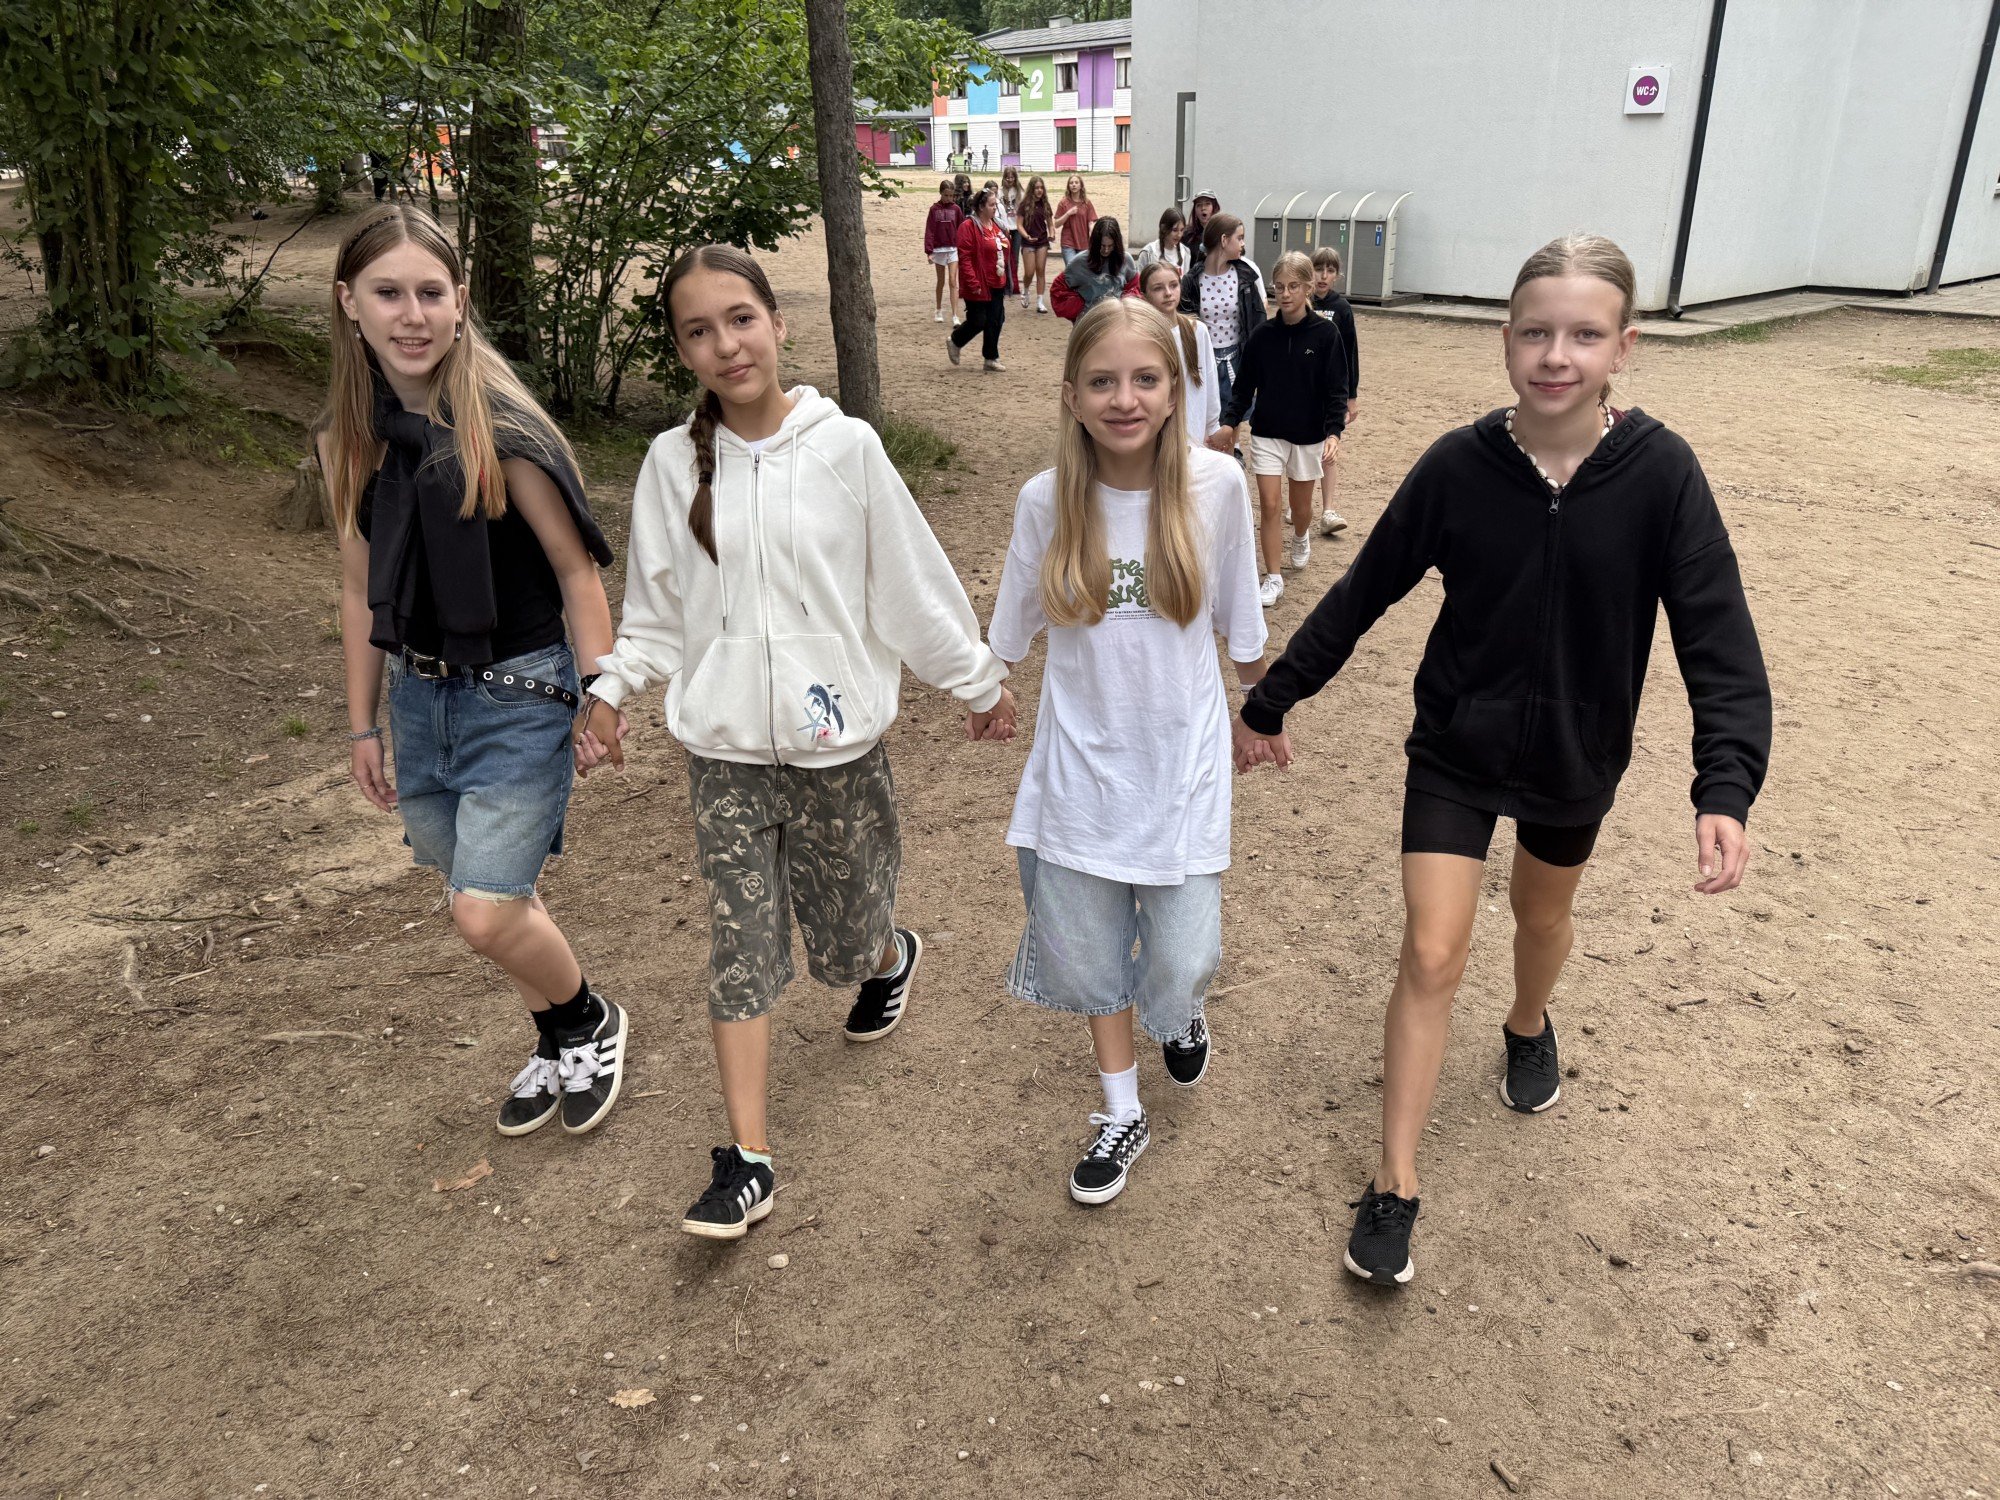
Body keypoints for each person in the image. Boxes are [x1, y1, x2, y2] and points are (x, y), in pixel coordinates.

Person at [1231, 235, 1773, 1288]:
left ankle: (1528, 1021)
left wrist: (1726, 785)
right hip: (1456, 744)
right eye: (1534, 333)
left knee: (1538, 916)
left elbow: (1718, 637)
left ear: (1623, 347)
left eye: (1583, 335)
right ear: (1506, 340)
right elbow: (1363, 591)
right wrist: (1272, 697)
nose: (1555, 356)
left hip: (1577, 751)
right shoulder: (1457, 466)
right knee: (1432, 951)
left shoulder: (1662, 475)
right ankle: (1394, 1179)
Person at [577, 245, 1013, 1240]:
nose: (725, 345)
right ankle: (748, 1160)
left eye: (740, 319)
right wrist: (611, 688)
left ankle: (887, 953)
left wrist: (976, 679)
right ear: (682, 350)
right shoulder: (669, 464)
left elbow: (905, 584)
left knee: (847, 937)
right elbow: (656, 615)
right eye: (698, 331)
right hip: (724, 755)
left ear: (776, 323)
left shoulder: (845, 448)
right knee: (740, 943)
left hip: (836, 752)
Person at [319, 204, 626, 1141]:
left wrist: (603, 694)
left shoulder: (504, 431)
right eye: (388, 293)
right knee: (499, 898)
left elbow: (576, 571)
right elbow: (357, 589)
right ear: (349, 302)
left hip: (520, 692)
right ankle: (557, 1035)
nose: (410, 315)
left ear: (459, 302)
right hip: (418, 699)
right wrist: (363, 724)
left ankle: (589, 1020)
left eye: (430, 292)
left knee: (483, 913)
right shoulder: (348, 441)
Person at [973, 298, 1267, 1206]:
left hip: (1181, 769)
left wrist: (1262, 709)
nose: (1124, 399)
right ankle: (1120, 1107)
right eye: (1102, 381)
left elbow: (1241, 619)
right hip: (1080, 772)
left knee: (1182, 958)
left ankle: (1180, 1014)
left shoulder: (1216, 488)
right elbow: (1012, 623)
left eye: (1145, 379)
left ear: (1175, 391)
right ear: (1071, 395)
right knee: (1093, 955)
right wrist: (987, 688)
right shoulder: (1045, 501)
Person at [1207, 250, 1348, 608]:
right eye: (1279, 286)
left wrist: (1334, 432)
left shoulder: (1326, 334)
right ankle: (1272, 577)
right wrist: (1229, 423)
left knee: (1301, 509)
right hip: (1267, 432)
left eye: (1293, 286)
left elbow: (1336, 389)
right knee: (1269, 505)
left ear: (1307, 288)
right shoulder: (1262, 336)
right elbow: (1243, 389)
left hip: (1308, 435)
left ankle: (1301, 535)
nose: (1285, 293)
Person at [1178, 213, 1267, 423]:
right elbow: (1184, 323)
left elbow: (1258, 320)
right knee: (1205, 417)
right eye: (1240, 238)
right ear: (1224, 240)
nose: (1243, 244)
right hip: (1203, 361)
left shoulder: (1245, 275)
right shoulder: (1192, 280)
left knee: (1233, 416)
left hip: (1237, 358)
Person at [1139, 261, 1220, 452]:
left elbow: (1209, 382)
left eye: (1173, 285)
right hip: (1154, 439)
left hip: (1193, 436)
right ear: (1144, 296)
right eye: (1158, 288)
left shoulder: (1197, 331)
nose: (1168, 293)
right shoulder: (1141, 337)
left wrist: (1212, 426)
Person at [1310, 246, 1360, 535]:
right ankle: (1299, 501)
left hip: (1332, 392)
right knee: (1301, 448)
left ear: (1337, 276)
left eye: (1329, 270)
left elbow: (1351, 353)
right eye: (1318, 269)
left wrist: (1351, 397)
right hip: (1304, 390)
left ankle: (1328, 510)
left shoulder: (1342, 309)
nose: (1323, 275)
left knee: (1329, 447)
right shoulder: (1302, 302)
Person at [949, 187, 1015, 373]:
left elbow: (1005, 247)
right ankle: (955, 341)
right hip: (978, 283)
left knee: (996, 320)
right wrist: (972, 282)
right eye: (992, 205)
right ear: (980, 207)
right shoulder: (968, 227)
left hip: (997, 281)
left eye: (996, 204)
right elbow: (965, 258)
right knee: (978, 320)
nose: (995, 208)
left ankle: (991, 358)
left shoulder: (997, 225)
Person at [1050, 215, 1138, 321]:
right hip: (1088, 323)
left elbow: (1136, 288)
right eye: (1102, 245)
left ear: (1117, 243)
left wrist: (1125, 305)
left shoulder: (1126, 260)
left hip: (1116, 322)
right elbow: (1058, 290)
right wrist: (1079, 307)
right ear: (1095, 242)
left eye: (1110, 246)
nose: (1106, 250)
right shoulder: (1079, 262)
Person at [924, 177, 965, 326]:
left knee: (953, 281)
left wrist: (964, 248)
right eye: (946, 195)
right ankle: (938, 309)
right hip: (939, 249)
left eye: (951, 195)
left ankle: (955, 315)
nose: (949, 198)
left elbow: (962, 228)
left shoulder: (956, 209)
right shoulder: (934, 209)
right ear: (940, 193)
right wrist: (929, 251)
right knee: (940, 281)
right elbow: (930, 230)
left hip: (953, 249)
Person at [1017, 175, 1054, 314]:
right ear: (1032, 189)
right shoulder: (1024, 205)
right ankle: (1025, 290)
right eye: (1037, 188)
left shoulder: (1045, 204)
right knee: (1029, 272)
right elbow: (1019, 225)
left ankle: (1040, 301)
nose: (1039, 190)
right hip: (1028, 241)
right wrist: (1026, 235)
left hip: (1042, 241)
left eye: (1041, 188)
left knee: (1040, 270)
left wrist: (1052, 233)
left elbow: (1050, 224)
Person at [1134, 207, 1193, 278]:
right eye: (1175, 230)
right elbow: (1140, 281)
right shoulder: (1148, 253)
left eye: (1182, 230)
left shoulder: (1185, 252)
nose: (1179, 235)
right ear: (1163, 228)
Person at [1054, 174, 1097, 269]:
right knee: (1072, 269)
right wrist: (1068, 213)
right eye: (1071, 183)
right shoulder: (1063, 203)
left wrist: (1092, 231)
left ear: (1081, 185)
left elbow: (1091, 221)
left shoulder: (1087, 203)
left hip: (1084, 243)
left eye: (1076, 182)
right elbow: (1056, 224)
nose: (1074, 185)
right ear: (1068, 186)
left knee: (1083, 271)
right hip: (1068, 242)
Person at [999, 164, 1025, 271]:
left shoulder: (1020, 192)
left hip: (1017, 228)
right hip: (1004, 228)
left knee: (1015, 256)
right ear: (1004, 178)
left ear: (1015, 178)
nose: (1010, 180)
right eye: (1007, 177)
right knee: (1004, 255)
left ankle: (1014, 278)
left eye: (1012, 177)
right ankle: (1006, 277)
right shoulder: (1000, 192)